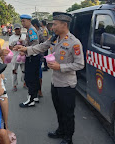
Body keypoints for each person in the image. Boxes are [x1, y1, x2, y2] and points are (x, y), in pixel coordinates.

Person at [14, 13, 85, 144]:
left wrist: (60, 66)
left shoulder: (74, 43)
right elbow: (41, 46)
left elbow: (80, 64)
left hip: (67, 84)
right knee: (58, 109)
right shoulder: (54, 38)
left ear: (64, 25)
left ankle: (68, 138)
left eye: (55, 24)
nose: (53, 27)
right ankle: (60, 131)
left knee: (68, 113)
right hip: (55, 82)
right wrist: (25, 49)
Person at [18, 14, 40, 108]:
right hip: (33, 56)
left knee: (29, 78)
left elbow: (35, 44)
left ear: (29, 21)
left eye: (24, 21)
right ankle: (34, 96)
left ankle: (31, 100)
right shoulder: (29, 30)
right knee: (34, 78)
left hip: (32, 57)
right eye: (22, 21)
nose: (22, 23)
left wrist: (25, 50)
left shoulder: (31, 30)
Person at [9, 23, 27, 92]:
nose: (17, 30)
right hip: (15, 57)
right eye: (16, 29)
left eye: (18, 29)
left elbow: (27, 45)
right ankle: (14, 85)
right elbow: (10, 47)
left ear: (20, 29)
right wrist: (15, 45)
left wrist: (23, 44)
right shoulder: (11, 37)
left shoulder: (24, 36)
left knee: (24, 70)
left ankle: (24, 83)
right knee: (14, 71)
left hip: (23, 56)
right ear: (14, 30)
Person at [31, 19, 44, 97]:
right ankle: (35, 90)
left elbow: (44, 44)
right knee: (34, 74)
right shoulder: (33, 31)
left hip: (38, 55)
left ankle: (39, 91)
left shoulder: (40, 32)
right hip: (32, 55)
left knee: (38, 74)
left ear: (35, 25)